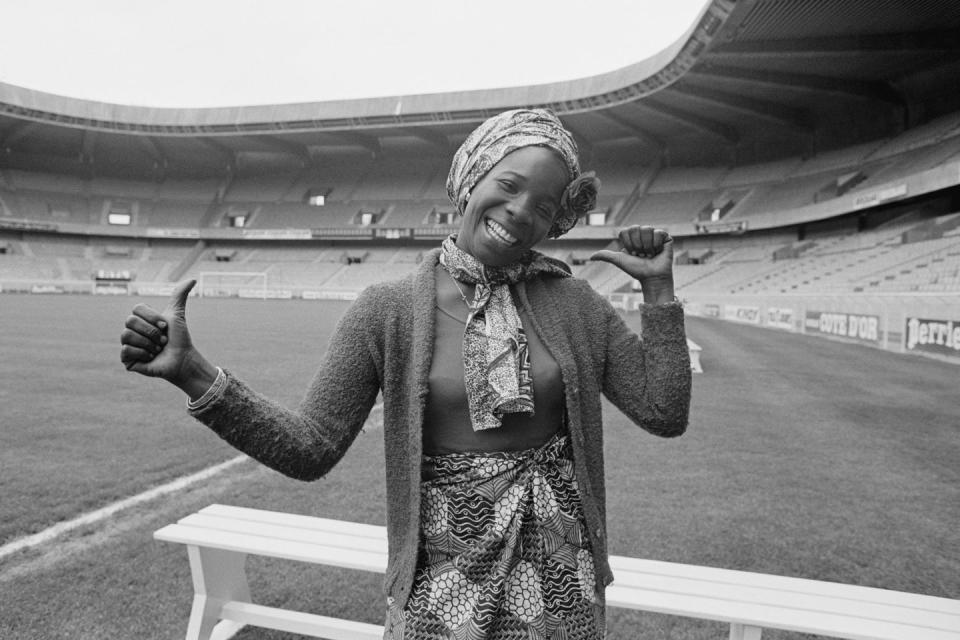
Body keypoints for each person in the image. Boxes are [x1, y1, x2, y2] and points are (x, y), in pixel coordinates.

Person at [121, 108, 691, 639]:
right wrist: (195, 374)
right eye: (509, 185)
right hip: (441, 574)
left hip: (560, 566)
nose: (521, 211)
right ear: (471, 178)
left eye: (544, 205)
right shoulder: (386, 310)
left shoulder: (576, 305)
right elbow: (309, 448)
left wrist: (660, 293)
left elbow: (663, 413)